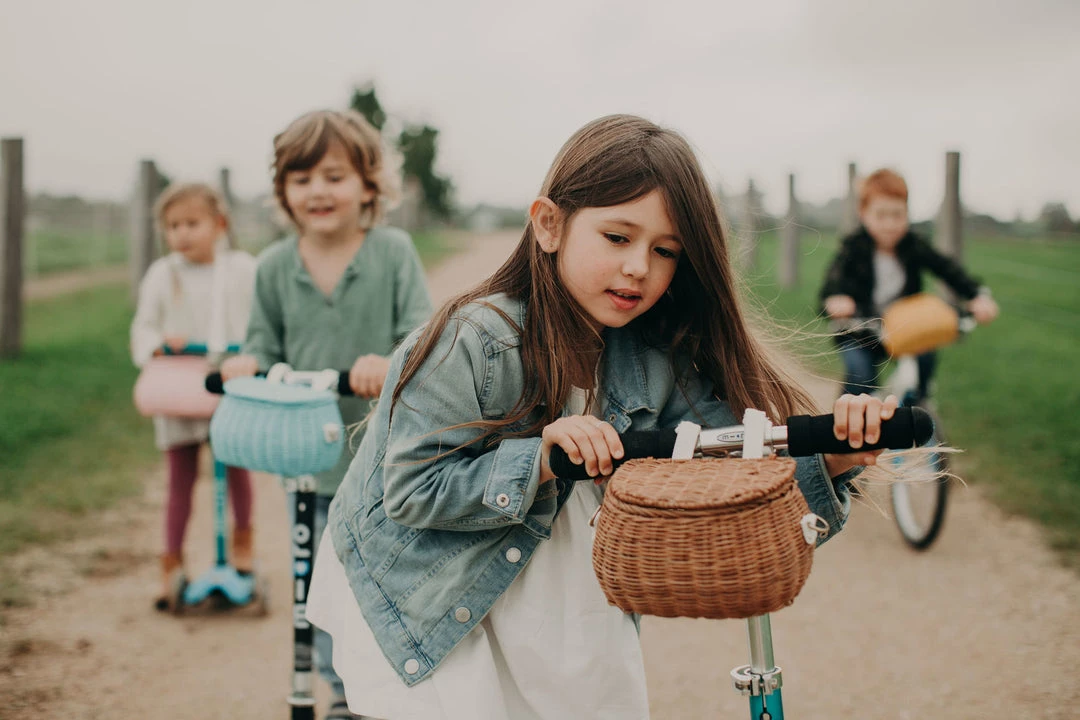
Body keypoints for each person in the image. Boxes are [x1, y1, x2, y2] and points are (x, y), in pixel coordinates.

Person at [305, 114, 895, 720]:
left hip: (563, 608)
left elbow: (729, 472)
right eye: (618, 238)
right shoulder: (475, 340)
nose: (640, 266)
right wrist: (536, 457)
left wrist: (832, 458)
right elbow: (411, 490)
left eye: (665, 251)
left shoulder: (659, 355)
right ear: (549, 225)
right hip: (431, 595)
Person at [220, 109, 433, 719]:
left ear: (368, 185)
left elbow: (421, 339)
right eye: (302, 177)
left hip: (382, 462)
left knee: (382, 580)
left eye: (334, 176)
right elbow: (262, 345)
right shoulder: (272, 267)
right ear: (283, 190)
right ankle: (341, 694)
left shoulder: (392, 253)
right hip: (308, 463)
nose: (318, 190)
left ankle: (387, 687)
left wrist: (387, 362)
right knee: (314, 586)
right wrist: (246, 363)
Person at [130, 182, 258, 611]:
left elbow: (259, 319)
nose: (182, 233)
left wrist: (249, 348)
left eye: (192, 223)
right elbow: (143, 328)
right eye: (173, 226)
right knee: (179, 478)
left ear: (219, 225)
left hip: (228, 381)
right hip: (179, 386)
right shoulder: (162, 274)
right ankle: (171, 562)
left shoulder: (241, 269)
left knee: (236, 466)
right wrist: (161, 341)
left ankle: (243, 544)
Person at [820, 168, 999, 399]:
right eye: (881, 215)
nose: (890, 224)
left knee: (923, 359)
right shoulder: (853, 247)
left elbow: (946, 269)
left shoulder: (913, 245)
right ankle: (842, 427)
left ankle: (921, 404)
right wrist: (836, 298)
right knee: (860, 376)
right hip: (860, 329)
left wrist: (977, 295)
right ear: (863, 214)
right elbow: (833, 282)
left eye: (897, 215)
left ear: (907, 213)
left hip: (904, 327)